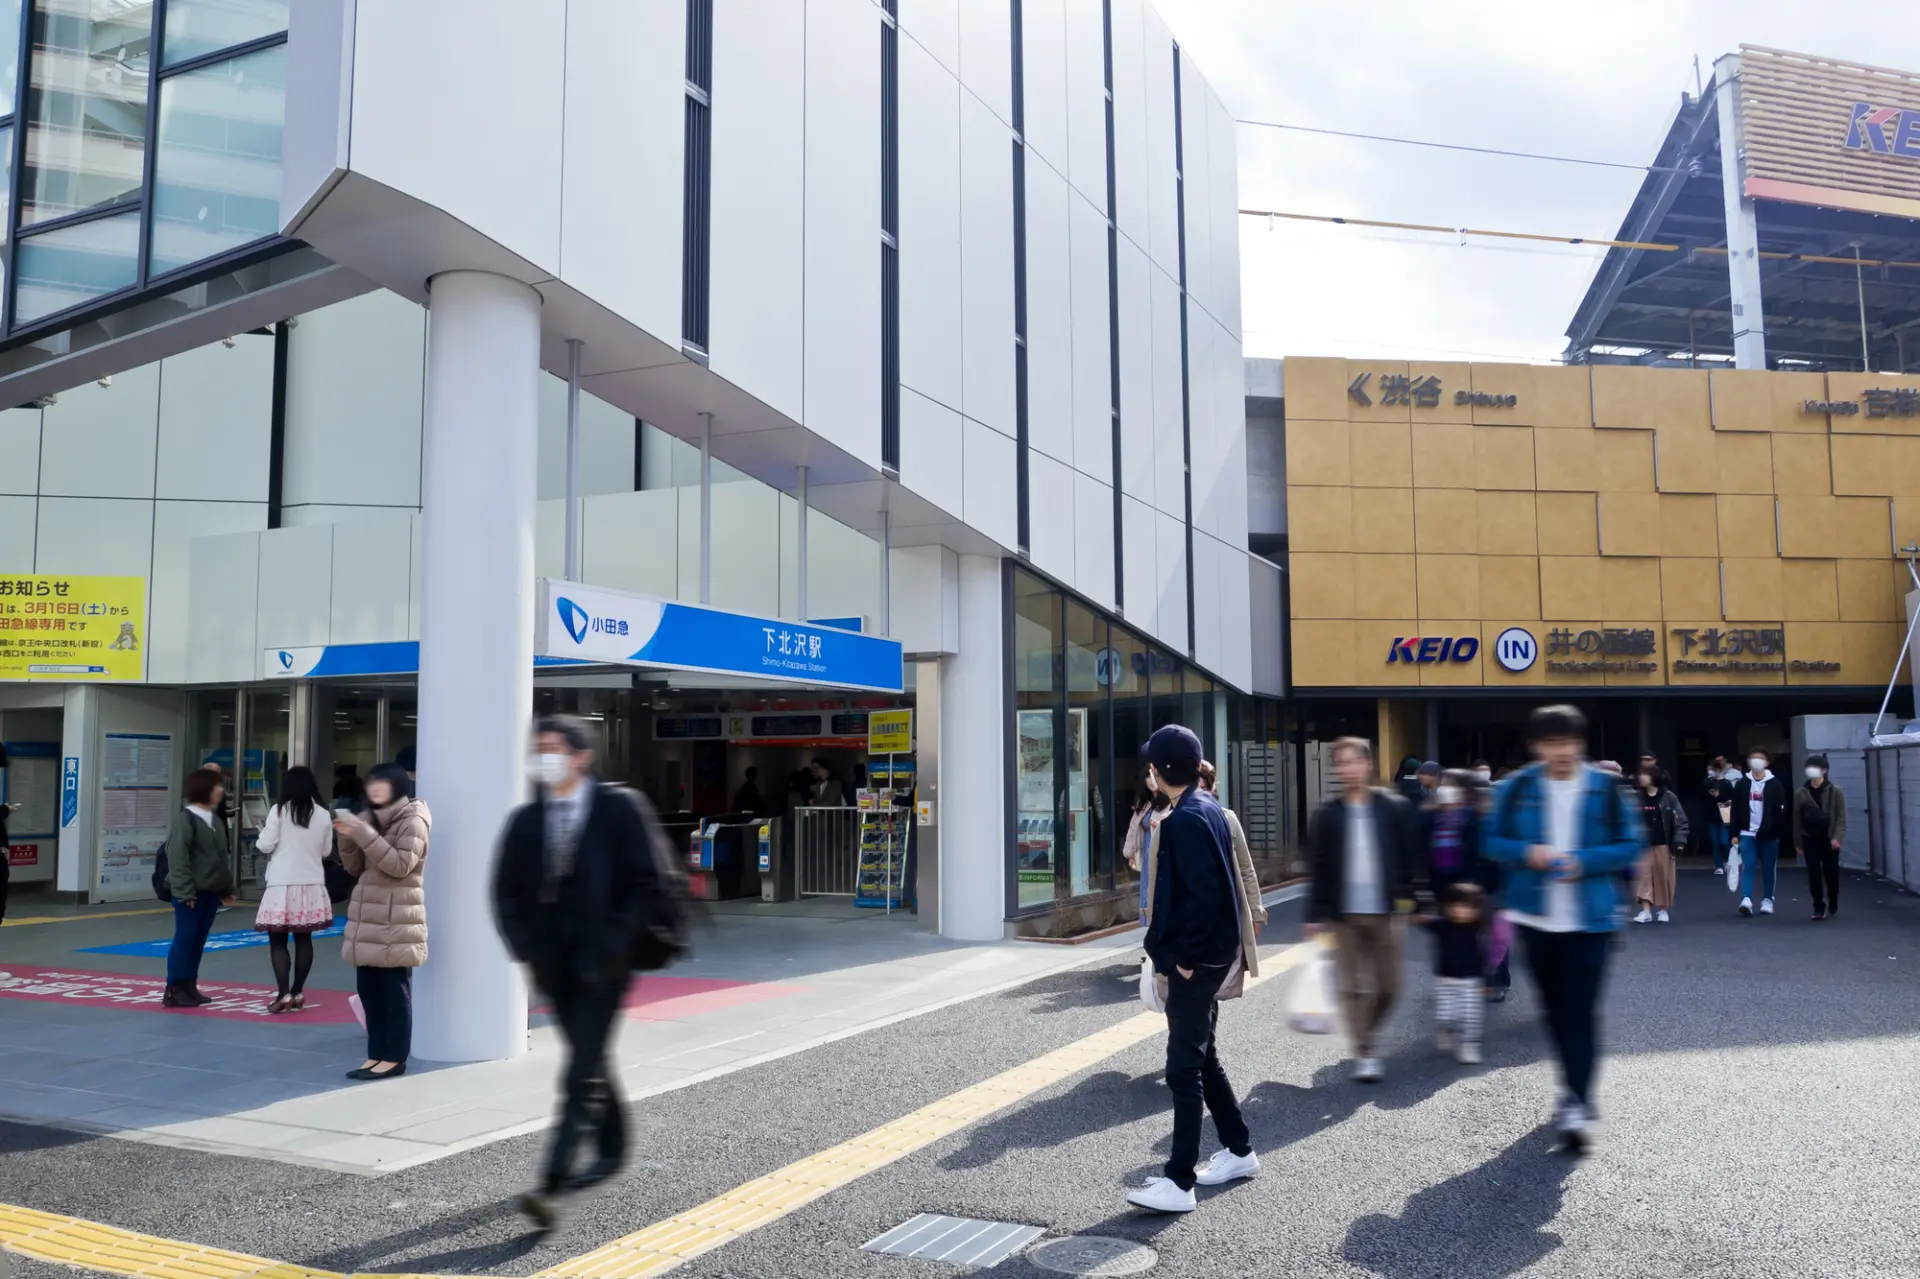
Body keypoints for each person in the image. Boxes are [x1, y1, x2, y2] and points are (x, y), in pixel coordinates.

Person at [495, 715, 666, 1231]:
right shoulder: (527, 819)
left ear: (580, 756)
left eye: (552, 747)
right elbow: (504, 892)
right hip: (554, 964)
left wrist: (614, 943)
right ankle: (613, 1144)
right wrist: (527, 949)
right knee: (587, 1057)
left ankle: (551, 1187)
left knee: (577, 1072)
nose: (541, 756)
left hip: (606, 963)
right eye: (537, 747)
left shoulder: (618, 809)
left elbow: (645, 882)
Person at [1483, 705, 1641, 1152]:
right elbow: (1490, 840)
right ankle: (1572, 1087)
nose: (1562, 751)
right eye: (1552, 742)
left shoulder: (1605, 788)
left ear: (1581, 742)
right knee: (1555, 1011)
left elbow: (1631, 844)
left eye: (1569, 742)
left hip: (1592, 921)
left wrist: (1585, 863)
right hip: (1535, 920)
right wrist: (1527, 852)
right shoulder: (1517, 789)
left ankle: (1577, 1101)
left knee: (1579, 1011)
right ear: (1537, 745)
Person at [1127, 725, 1255, 1214]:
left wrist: (1183, 959)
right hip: (1210, 957)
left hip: (1195, 963)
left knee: (1182, 1069)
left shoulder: (1183, 820)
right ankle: (1239, 1150)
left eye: (1153, 766)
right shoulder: (1209, 811)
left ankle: (1179, 1182)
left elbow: (1201, 899)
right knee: (1202, 1058)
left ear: (1160, 771)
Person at [1305, 737, 1421, 1083]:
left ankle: (1366, 1030)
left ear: (1367, 764)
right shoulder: (1327, 815)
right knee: (1351, 988)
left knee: (1390, 987)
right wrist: (1314, 914)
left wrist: (1415, 900)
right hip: (1344, 916)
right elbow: (1319, 866)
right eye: (1341, 763)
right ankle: (1365, 1050)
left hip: (1384, 912)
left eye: (1354, 761)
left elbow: (1409, 857)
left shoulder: (1393, 807)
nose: (1348, 769)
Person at [332, 762, 429, 1080]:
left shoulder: (414, 818)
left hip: (397, 916)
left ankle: (395, 1057)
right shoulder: (371, 818)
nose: (374, 791)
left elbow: (401, 865)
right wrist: (348, 838)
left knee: (393, 991)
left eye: (382, 785)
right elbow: (355, 867)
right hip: (369, 916)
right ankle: (375, 1054)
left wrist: (365, 834)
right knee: (370, 990)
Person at [253, 765, 335, 1013]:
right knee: (304, 938)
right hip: (311, 885)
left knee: (278, 940)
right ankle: (298, 991)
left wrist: (262, 835)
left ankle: (283, 993)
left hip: (282, 884)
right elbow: (326, 852)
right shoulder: (323, 814)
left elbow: (265, 845)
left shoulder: (278, 811)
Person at [162, 769, 235, 1008]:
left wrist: (226, 889)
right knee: (184, 940)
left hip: (210, 892)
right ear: (205, 789)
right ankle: (174, 988)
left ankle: (190, 985)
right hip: (191, 894)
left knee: (198, 941)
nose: (221, 791)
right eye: (217, 787)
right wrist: (184, 893)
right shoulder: (186, 819)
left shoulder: (214, 819)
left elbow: (220, 858)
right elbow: (177, 858)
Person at [1197, 760, 1270, 936]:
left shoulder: (1228, 819)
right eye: (1195, 788)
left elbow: (1246, 868)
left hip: (1228, 912)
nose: (1200, 793)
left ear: (1213, 788)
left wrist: (1255, 912)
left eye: (1204, 788)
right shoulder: (1174, 821)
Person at [1424, 881, 1489, 1064]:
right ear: (1447, 907)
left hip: (1472, 980)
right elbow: (1426, 922)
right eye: (1456, 906)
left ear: (1476, 910)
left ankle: (1469, 1047)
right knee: (1447, 1014)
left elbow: (1495, 939)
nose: (1461, 911)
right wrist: (1417, 916)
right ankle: (1445, 1029)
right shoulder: (1442, 925)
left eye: (1468, 907)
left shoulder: (1478, 927)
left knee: (1471, 1016)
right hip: (1446, 979)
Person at [1732, 749, 1789, 918]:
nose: (1756, 761)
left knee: (1768, 868)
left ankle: (1767, 899)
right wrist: (1734, 832)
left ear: (1767, 762)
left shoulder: (1775, 784)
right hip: (1746, 832)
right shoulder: (1743, 783)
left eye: (1760, 758)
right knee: (1747, 866)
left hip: (1769, 834)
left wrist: (1776, 829)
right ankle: (1746, 899)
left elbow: (1782, 809)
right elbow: (1735, 809)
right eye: (1753, 758)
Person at [1630, 765, 1687, 924]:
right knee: (1643, 876)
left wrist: (1680, 840)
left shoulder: (1668, 797)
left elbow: (1681, 820)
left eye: (1645, 775)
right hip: (1643, 845)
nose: (1641, 778)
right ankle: (1646, 911)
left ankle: (1663, 910)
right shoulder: (1637, 797)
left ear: (1654, 777)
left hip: (1664, 844)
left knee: (1664, 877)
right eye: (1640, 775)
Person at [1794, 754, 1847, 922]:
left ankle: (1833, 899)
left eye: (1816, 767)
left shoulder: (1835, 791)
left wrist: (1838, 837)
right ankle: (1818, 906)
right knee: (1813, 873)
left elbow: (1841, 818)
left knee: (1831, 873)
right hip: (1810, 838)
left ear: (1824, 770)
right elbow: (1796, 819)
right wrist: (1797, 841)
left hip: (1829, 838)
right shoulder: (1801, 793)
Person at [1124, 767, 1170, 921]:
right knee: (1146, 886)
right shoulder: (1144, 803)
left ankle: (1157, 919)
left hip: (1162, 850)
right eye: (1147, 778)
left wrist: (1159, 825)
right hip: (1146, 850)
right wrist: (1130, 851)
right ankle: (1146, 922)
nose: (1151, 781)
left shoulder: (1170, 800)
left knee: (1158, 885)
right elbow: (1133, 827)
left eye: (1153, 776)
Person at [1704, 756, 1738, 875]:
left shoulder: (1727, 784)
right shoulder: (1708, 782)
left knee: (1724, 841)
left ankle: (1729, 862)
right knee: (1715, 842)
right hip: (1711, 816)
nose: (1710, 771)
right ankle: (1718, 865)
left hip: (1725, 815)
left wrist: (1718, 795)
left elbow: (1728, 799)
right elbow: (1706, 796)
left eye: (1713, 769)